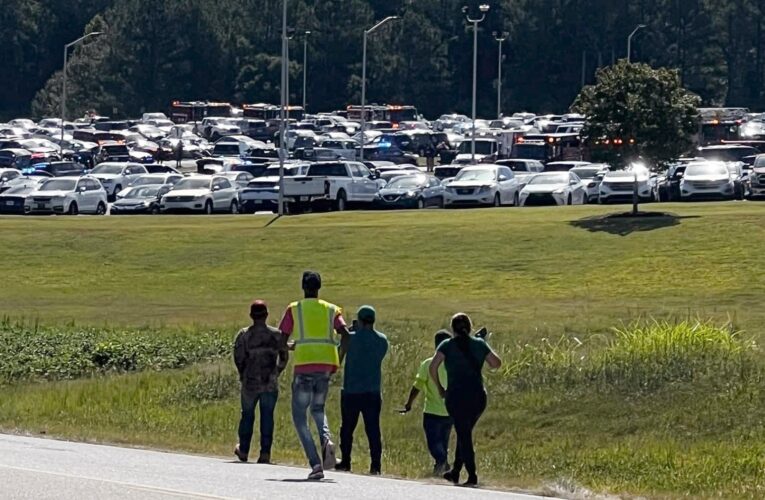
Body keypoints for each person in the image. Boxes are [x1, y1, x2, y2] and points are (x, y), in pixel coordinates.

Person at [279, 271, 350, 481]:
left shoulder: (295, 309)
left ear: (303, 286)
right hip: (326, 366)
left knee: (300, 417)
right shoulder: (331, 310)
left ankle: (316, 463)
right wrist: (339, 357)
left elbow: (282, 339)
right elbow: (346, 334)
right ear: (319, 287)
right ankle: (326, 439)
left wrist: (292, 347)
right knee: (318, 409)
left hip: (304, 366)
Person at [429, 313, 502, 487]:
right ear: (469, 327)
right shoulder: (479, 344)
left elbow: (433, 367)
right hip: (477, 397)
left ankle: (472, 475)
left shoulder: (446, 345)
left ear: (452, 329)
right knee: (464, 432)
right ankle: (455, 472)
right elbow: (496, 363)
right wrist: (482, 347)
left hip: (456, 396)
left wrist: (440, 388)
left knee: (464, 434)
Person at [233, 300, 288, 464]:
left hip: (250, 383)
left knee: (247, 415)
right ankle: (265, 453)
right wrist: (277, 371)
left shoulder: (244, 335)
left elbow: (238, 358)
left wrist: (243, 373)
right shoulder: (277, 335)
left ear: (251, 315)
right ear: (266, 315)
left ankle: (243, 449)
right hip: (269, 383)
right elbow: (284, 357)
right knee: (267, 417)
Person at [335, 306, 389, 475]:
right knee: (373, 429)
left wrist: (350, 334)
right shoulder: (382, 340)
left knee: (347, 429)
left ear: (359, 320)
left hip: (351, 390)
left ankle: (345, 461)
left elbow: (338, 357)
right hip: (372, 391)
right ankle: (375, 466)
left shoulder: (350, 339)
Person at [400, 330, 453, 475]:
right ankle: (440, 467)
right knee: (443, 441)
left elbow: (417, 386)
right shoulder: (454, 365)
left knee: (433, 443)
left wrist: (409, 403)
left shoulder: (428, 364)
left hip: (432, 411)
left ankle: (442, 462)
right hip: (450, 412)